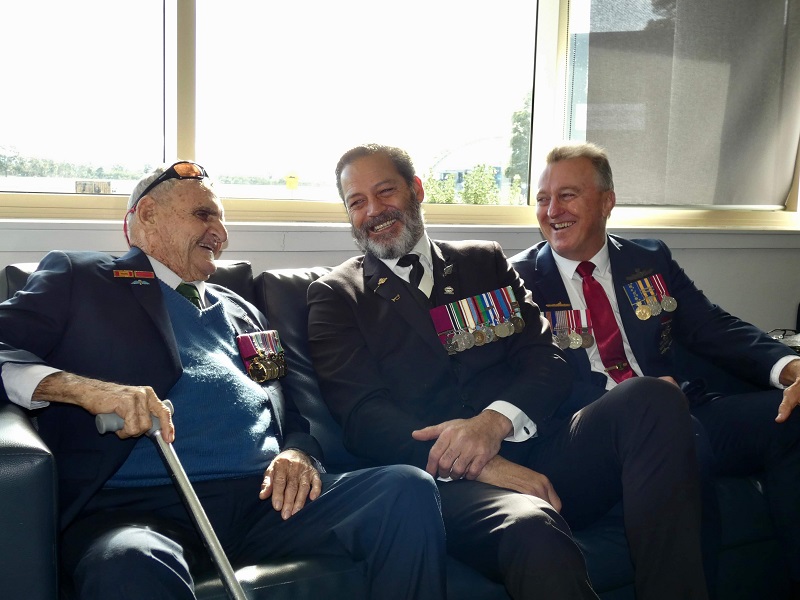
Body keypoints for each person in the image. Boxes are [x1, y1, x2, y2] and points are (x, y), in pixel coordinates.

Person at [0, 161, 447, 600]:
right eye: (203, 214)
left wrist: (297, 453)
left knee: (404, 490)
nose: (221, 232)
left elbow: (292, 410)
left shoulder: (243, 309)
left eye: (221, 218)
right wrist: (83, 390)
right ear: (148, 215)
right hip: (139, 508)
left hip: (267, 500)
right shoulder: (82, 278)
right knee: (126, 561)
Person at [307, 143, 709, 600]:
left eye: (385, 192)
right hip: (449, 487)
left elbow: (548, 358)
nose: (374, 211)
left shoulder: (484, 261)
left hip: (541, 446)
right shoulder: (337, 296)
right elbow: (363, 417)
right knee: (532, 527)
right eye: (357, 202)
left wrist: (494, 424)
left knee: (653, 396)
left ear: (416, 190)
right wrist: (481, 464)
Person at [509, 141, 800, 597]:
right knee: (664, 416)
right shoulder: (516, 281)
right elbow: (527, 381)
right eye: (543, 198)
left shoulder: (648, 259)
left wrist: (790, 367)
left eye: (568, 195)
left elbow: (711, 326)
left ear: (607, 201)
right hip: (588, 437)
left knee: (791, 415)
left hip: (686, 410)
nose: (552, 210)